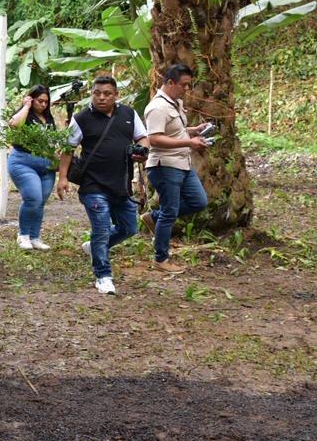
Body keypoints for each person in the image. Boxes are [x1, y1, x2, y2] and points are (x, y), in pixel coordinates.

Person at [56, 75, 150, 295]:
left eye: (107, 93)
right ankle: (103, 276)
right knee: (101, 230)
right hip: (93, 186)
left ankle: (93, 247)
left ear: (116, 95)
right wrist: (62, 178)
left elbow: (142, 137)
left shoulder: (128, 114)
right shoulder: (81, 118)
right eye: (96, 93)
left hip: (121, 185)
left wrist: (142, 150)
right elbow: (67, 149)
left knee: (129, 228)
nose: (101, 97)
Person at [143, 63, 210, 273]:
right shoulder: (157, 107)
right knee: (170, 212)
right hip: (165, 165)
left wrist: (193, 130)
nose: (186, 89)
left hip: (183, 163)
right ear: (170, 82)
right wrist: (189, 142)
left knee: (198, 201)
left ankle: (154, 217)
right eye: (184, 85)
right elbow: (154, 138)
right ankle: (160, 259)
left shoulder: (174, 103)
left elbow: (172, 130)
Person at [7, 84, 59, 250]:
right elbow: (14, 124)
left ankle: (34, 236)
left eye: (46, 102)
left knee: (40, 202)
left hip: (46, 165)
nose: (43, 104)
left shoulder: (48, 118)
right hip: (23, 162)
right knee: (33, 198)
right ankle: (23, 235)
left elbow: (52, 141)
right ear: (32, 99)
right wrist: (26, 106)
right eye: (39, 101)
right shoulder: (24, 115)